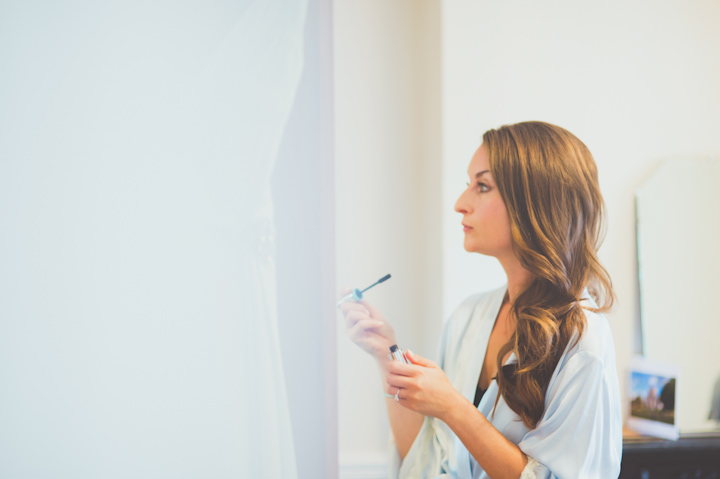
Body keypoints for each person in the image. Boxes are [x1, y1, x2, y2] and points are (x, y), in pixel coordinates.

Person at [338, 121, 623, 479]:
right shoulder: (468, 319)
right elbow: (426, 465)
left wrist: (453, 407)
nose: (460, 204)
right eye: (468, 184)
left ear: (532, 203)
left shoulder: (584, 343)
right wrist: (385, 354)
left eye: (482, 186)